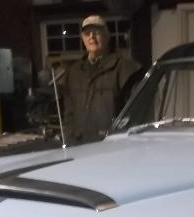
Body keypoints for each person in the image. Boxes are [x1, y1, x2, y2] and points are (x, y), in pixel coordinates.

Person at [61, 15, 142, 145]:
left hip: (112, 144)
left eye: (96, 32)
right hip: (79, 145)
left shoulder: (126, 69)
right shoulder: (73, 73)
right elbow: (68, 112)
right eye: (87, 33)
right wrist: (70, 136)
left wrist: (122, 138)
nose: (91, 37)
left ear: (107, 36)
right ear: (82, 38)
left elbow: (137, 112)